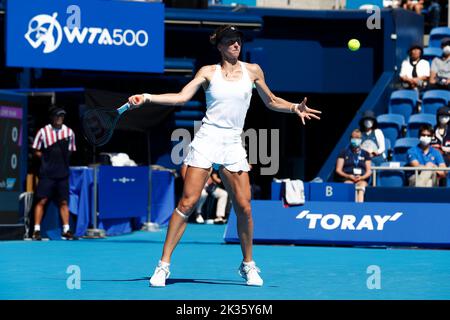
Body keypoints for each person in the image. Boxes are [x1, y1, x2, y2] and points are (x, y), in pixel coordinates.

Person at [128, 25, 321, 287]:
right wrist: (148, 97)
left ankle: (248, 265)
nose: (235, 44)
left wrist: (295, 107)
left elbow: (272, 100)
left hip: (233, 142)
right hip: (207, 139)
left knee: (244, 206)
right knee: (187, 203)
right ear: (219, 46)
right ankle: (163, 266)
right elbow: (181, 97)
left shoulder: (253, 71)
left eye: (237, 40)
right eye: (229, 41)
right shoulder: (208, 72)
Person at [31, 107, 77, 240]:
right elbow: (36, 149)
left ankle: (66, 230)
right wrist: (46, 159)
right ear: (52, 117)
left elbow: (71, 150)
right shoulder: (43, 132)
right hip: (46, 174)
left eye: (62, 117)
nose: (59, 119)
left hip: (62, 174)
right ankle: (36, 231)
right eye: (57, 116)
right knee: (42, 200)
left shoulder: (69, 133)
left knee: (63, 202)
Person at [335, 129, 372, 203]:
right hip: (347, 179)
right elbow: (338, 170)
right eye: (353, 138)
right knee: (349, 186)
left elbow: (369, 171)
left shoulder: (365, 154)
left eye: (358, 138)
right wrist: (349, 176)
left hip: (361, 179)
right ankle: (351, 208)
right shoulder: (344, 152)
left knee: (361, 187)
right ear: (350, 139)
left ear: (361, 140)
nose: (355, 140)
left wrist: (361, 177)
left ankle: (359, 207)